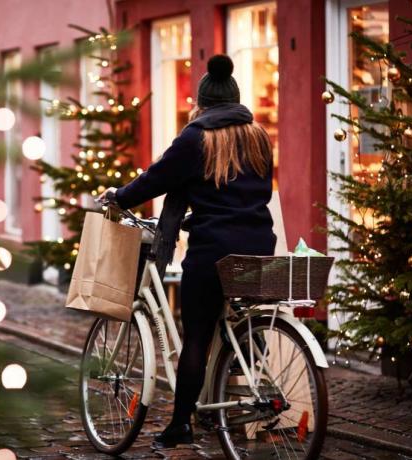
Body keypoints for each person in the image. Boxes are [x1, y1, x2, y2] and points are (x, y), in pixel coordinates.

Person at [100, 54, 276, 448]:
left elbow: (156, 179)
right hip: (260, 245)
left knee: (195, 336)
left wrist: (119, 197)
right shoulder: (259, 135)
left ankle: (181, 423)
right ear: (235, 98)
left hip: (213, 248)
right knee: (234, 322)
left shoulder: (196, 137)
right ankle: (233, 396)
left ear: (202, 101)